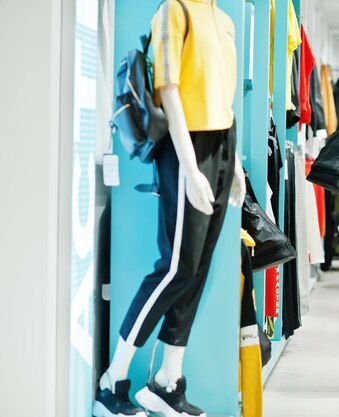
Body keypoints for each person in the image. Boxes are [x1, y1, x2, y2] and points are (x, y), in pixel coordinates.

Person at [93, 1, 245, 417]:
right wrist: (191, 167)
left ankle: (166, 381)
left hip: (221, 145)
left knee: (196, 270)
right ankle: (113, 381)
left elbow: (225, 95)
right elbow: (168, 89)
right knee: (176, 267)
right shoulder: (174, 10)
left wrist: (236, 163)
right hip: (185, 147)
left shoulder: (226, 21)